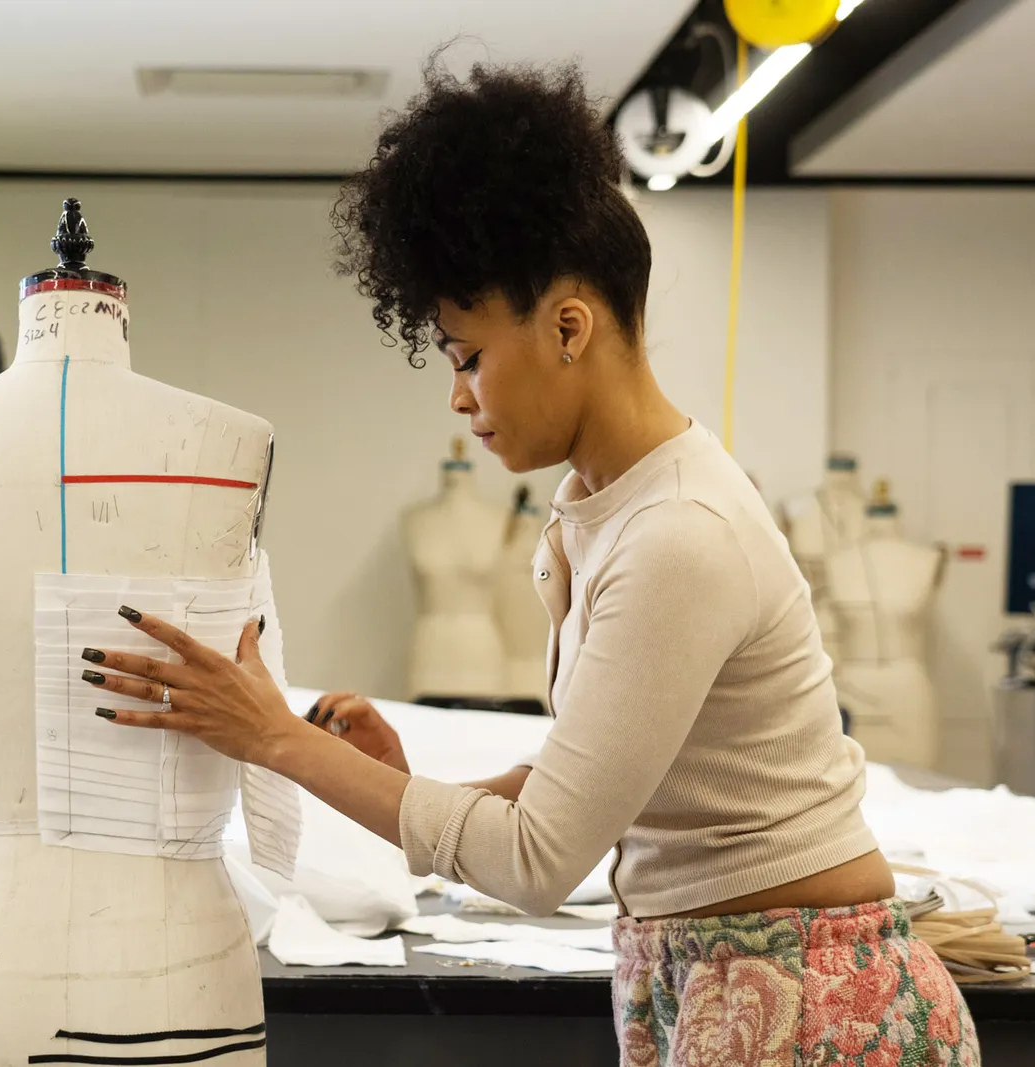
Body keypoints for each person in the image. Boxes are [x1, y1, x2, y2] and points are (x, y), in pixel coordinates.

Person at [80, 61, 978, 1067]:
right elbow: (594, 784)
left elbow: (541, 858)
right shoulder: (607, 507)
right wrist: (411, 784)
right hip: (731, 972)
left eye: (466, 356)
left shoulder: (677, 533)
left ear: (566, 325)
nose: (457, 398)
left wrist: (276, 737)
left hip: (806, 999)